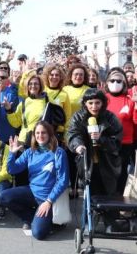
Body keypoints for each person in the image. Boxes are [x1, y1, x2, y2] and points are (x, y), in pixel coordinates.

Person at [0, 121, 69, 240]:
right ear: (34, 135)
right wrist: (12, 154)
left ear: (50, 134)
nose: (40, 136)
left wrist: (48, 201)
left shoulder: (59, 152)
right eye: (37, 133)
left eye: (43, 133)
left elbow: (63, 180)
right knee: (3, 197)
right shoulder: (30, 152)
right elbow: (12, 170)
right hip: (32, 192)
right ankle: (30, 218)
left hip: (48, 198)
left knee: (38, 234)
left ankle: (51, 222)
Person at [67, 89, 123, 197]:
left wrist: (101, 139)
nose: (94, 106)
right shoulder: (78, 117)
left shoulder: (111, 118)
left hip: (108, 165)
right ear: (85, 103)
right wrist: (78, 145)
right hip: (87, 164)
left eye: (97, 102)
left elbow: (116, 142)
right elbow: (73, 134)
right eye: (90, 103)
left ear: (103, 103)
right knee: (91, 199)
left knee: (109, 199)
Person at [103, 68, 137, 194]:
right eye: (112, 80)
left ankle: (120, 199)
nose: (115, 83)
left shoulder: (129, 99)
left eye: (119, 81)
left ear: (124, 83)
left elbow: (135, 120)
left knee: (122, 172)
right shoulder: (103, 99)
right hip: (107, 142)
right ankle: (108, 198)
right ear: (107, 82)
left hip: (125, 142)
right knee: (108, 172)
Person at [62, 63, 90, 198]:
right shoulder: (65, 89)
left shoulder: (88, 90)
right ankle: (71, 187)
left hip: (84, 130)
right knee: (69, 161)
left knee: (81, 160)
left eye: (81, 74)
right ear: (71, 77)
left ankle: (84, 188)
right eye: (75, 74)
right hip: (68, 131)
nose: (78, 77)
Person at [41, 64, 71, 144]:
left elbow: (67, 116)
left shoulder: (64, 94)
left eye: (57, 75)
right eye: (51, 75)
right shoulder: (42, 91)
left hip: (57, 132)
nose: (54, 77)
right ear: (47, 76)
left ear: (61, 78)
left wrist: (66, 135)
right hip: (42, 130)